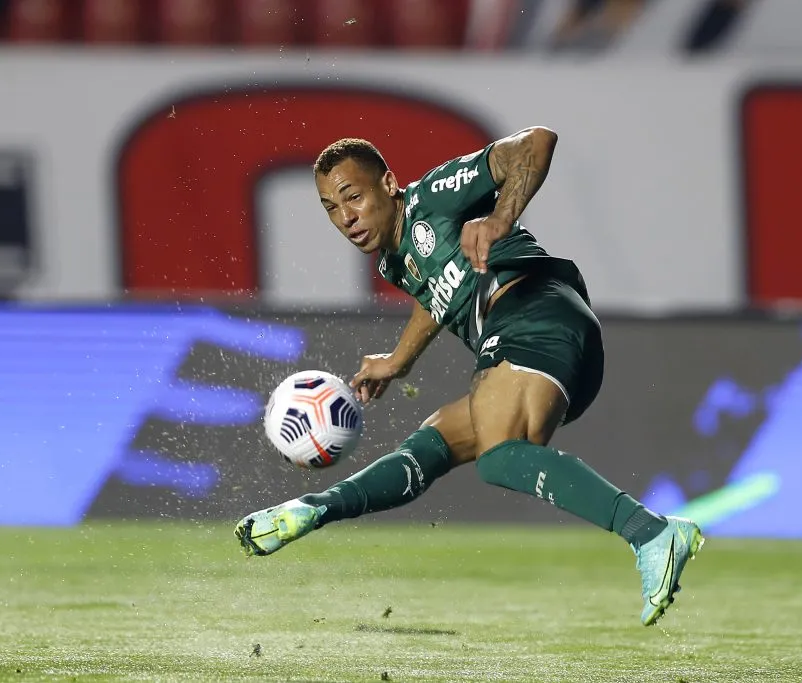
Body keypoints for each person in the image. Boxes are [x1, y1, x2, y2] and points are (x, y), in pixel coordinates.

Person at [234, 127, 704, 626]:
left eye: (353, 197)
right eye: (330, 208)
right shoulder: (396, 261)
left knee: (499, 457)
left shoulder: (434, 196)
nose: (346, 216)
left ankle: (650, 531)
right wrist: (399, 359)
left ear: (388, 184)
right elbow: (436, 292)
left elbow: (537, 142)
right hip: (553, 346)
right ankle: (313, 511)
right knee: (432, 444)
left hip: (534, 312)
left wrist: (501, 217)